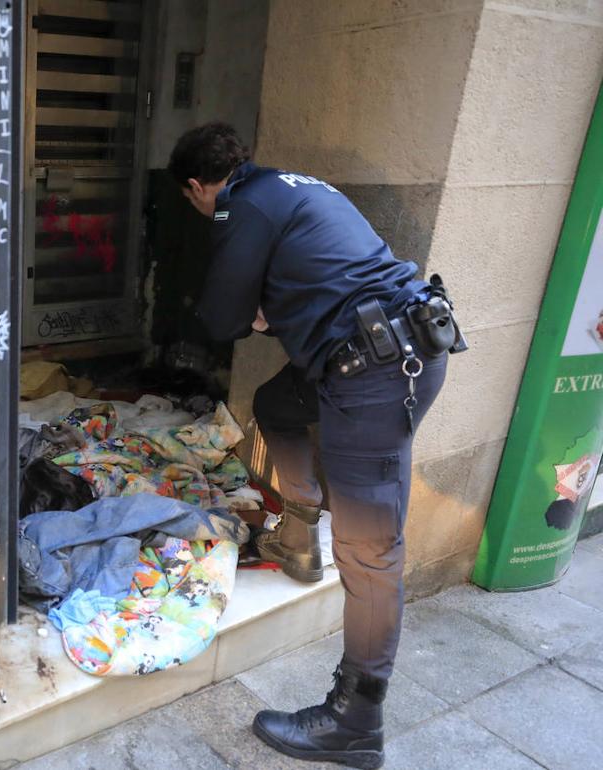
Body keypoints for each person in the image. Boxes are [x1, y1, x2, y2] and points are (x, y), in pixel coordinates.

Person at [169, 122, 460, 769]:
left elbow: (218, 318)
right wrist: (272, 304)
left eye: (193, 198)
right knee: (275, 405)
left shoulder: (242, 206)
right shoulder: (290, 187)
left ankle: (355, 720)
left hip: (379, 372)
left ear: (196, 186)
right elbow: (321, 277)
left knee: (369, 549)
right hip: (384, 350)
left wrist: (252, 307)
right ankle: (297, 532)